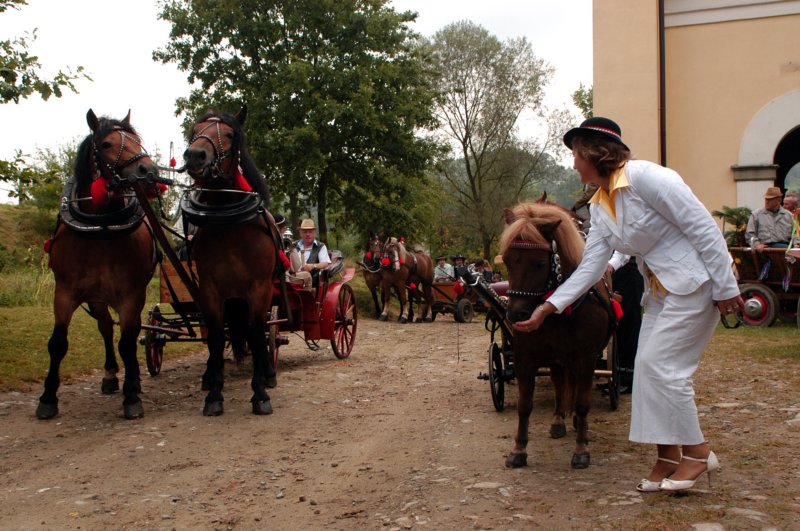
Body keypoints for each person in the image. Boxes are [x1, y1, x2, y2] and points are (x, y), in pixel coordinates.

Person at [512, 117, 743, 493]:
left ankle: (698, 453)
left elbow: (703, 227)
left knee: (665, 369)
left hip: (696, 284)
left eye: (576, 155)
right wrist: (547, 308)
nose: (573, 163)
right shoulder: (600, 205)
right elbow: (591, 266)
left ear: (594, 152)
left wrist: (726, 287)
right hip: (659, 293)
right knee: (645, 371)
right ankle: (668, 456)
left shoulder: (648, 178)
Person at [607, 251, 643, 394]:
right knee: (619, 326)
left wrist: (611, 265)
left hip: (629, 272)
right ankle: (617, 375)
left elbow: (625, 250)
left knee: (629, 324)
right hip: (617, 271)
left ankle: (628, 377)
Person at [293, 218, 331, 289]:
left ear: (314, 233)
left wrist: (313, 266)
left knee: (305, 275)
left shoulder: (320, 246)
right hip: (292, 276)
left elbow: (325, 263)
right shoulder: (293, 245)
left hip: (311, 279)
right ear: (300, 233)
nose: (308, 234)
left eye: (310, 232)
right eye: (305, 232)